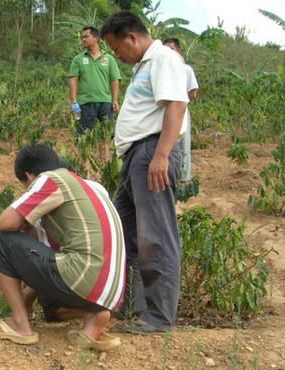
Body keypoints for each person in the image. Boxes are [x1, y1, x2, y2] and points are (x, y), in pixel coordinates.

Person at [0, 144, 126, 350]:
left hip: (83, 276)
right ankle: (93, 320)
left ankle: (19, 324)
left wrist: (25, 220)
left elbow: (4, 223)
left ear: (29, 177)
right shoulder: (88, 186)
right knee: (53, 294)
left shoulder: (50, 179)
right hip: (111, 293)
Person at [100, 11, 188, 333]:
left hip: (152, 151)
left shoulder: (164, 58)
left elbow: (176, 106)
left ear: (132, 38)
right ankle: (131, 307)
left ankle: (158, 316)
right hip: (137, 156)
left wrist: (162, 155)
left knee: (156, 237)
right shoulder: (144, 66)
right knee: (123, 233)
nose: (116, 56)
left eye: (117, 48)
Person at [69, 26, 121, 135]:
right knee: (85, 135)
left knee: (106, 134)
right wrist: (74, 102)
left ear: (96, 38)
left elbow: (114, 80)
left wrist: (115, 100)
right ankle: (87, 153)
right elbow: (73, 81)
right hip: (85, 103)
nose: (83, 39)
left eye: (86, 37)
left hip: (105, 103)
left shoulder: (109, 59)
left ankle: (103, 153)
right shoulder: (77, 59)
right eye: (82, 37)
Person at [163, 37, 199, 182]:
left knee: (182, 143)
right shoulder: (162, 69)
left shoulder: (186, 69)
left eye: (171, 49)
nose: (168, 53)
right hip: (163, 111)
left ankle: (183, 176)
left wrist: (178, 104)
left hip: (180, 110)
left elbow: (193, 93)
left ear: (178, 50)